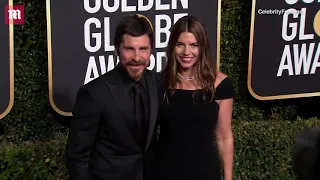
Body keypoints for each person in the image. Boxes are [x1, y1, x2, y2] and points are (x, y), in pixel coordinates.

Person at [65, 14, 163, 180]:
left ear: (151, 50)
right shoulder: (94, 93)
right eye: (129, 49)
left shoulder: (158, 83)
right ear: (117, 49)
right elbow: (76, 157)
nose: (137, 58)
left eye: (143, 49)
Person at [155, 16, 234, 180]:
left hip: (204, 172)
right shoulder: (160, 83)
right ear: (172, 47)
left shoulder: (220, 84)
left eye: (194, 45)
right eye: (180, 45)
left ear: (203, 48)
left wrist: (228, 178)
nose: (186, 52)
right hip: (164, 172)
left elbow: (224, 136)